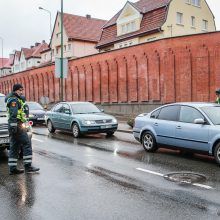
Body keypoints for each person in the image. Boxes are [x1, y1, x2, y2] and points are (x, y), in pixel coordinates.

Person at [6, 83, 40, 175]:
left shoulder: (16, 99)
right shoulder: (14, 100)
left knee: (14, 146)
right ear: (15, 90)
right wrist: (14, 126)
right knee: (27, 143)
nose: (21, 92)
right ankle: (28, 166)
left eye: (22, 90)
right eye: (20, 90)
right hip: (17, 125)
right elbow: (13, 114)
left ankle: (12, 169)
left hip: (15, 125)